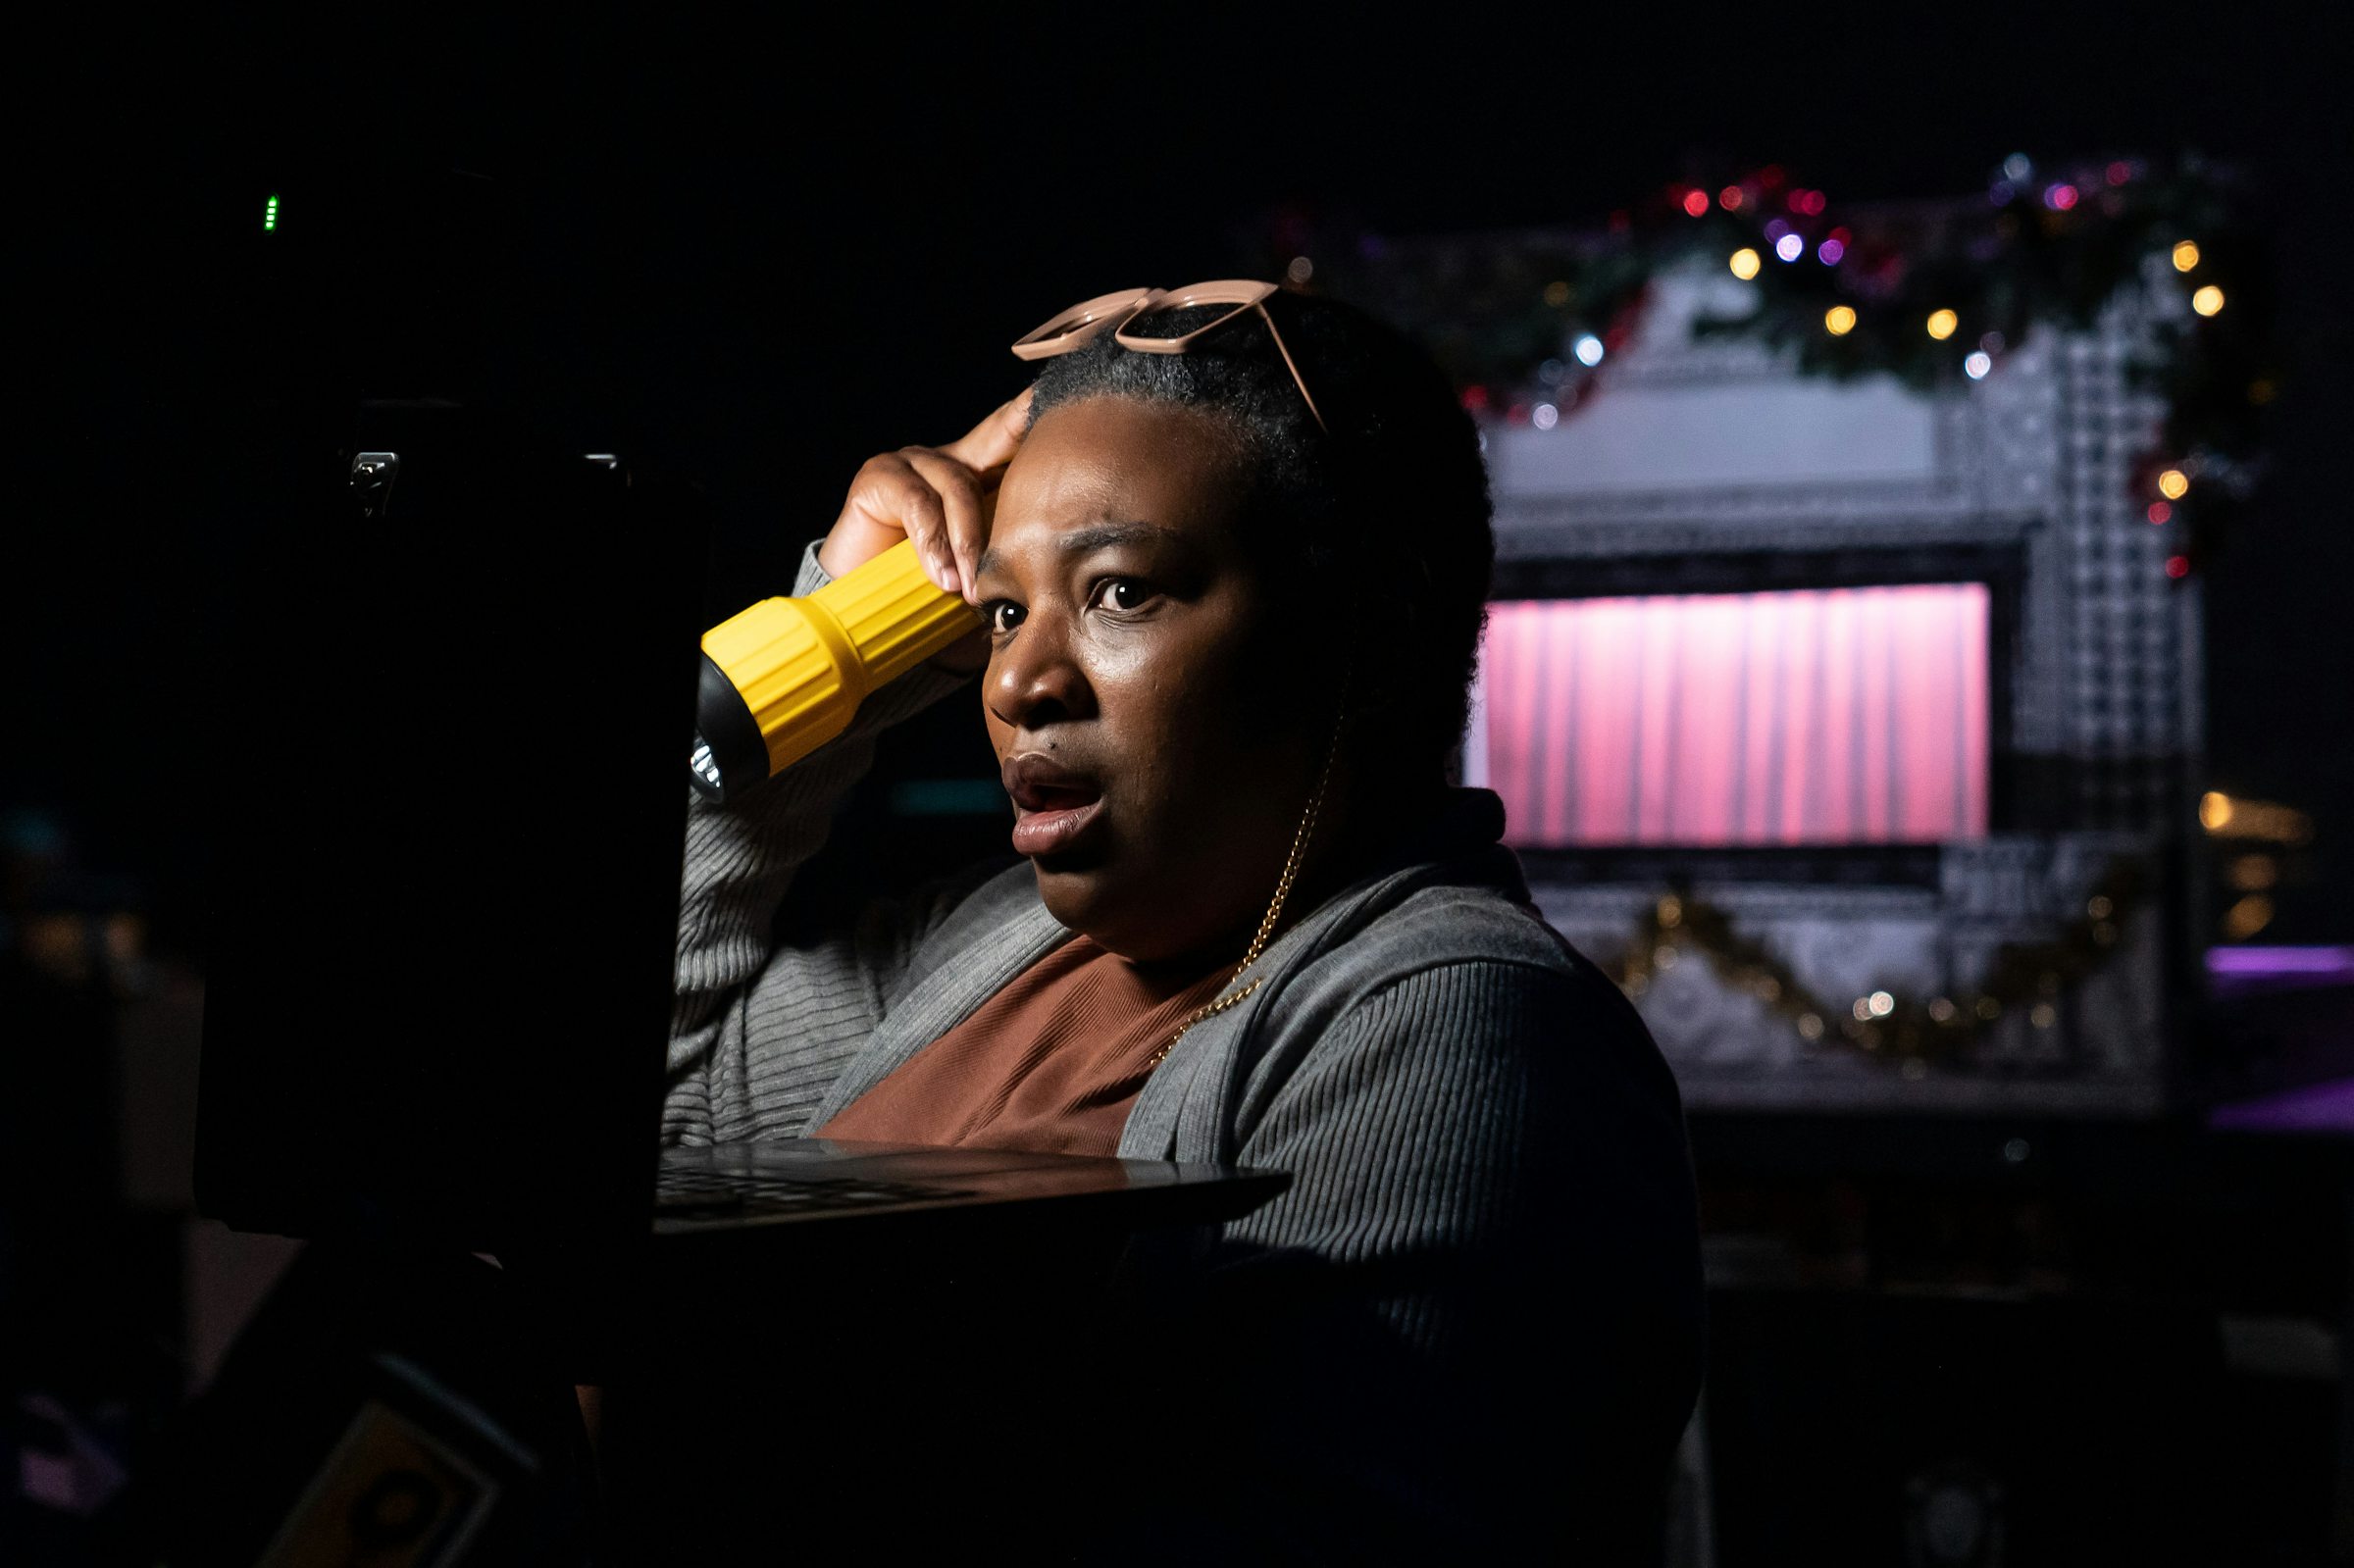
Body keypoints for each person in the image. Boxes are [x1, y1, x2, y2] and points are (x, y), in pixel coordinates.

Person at [656, 286, 1705, 1561]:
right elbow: (638, 1130)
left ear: (1363, 629)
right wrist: (826, 642)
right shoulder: (986, 948)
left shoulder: (1461, 1027)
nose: (1014, 679)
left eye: (1119, 592)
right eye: (1000, 610)